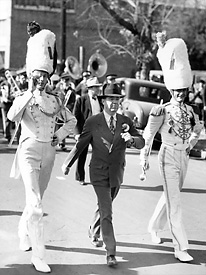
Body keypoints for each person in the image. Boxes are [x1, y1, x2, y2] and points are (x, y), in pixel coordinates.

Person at [7, 36, 76, 273]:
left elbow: (72, 120)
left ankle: (23, 230)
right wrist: (28, 93)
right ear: (31, 76)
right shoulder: (23, 97)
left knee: (37, 199)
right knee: (35, 204)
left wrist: (60, 135)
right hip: (28, 150)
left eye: (44, 76)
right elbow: (11, 117)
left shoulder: (55, 99)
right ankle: (39, 255)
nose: (41, 80)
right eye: (37, 75)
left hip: (49, 152)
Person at [62, 83, 145, 267]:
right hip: (98, 172)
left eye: (117, 99)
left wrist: (131, 139)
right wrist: (68, 163)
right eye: (110, 99)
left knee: (104, 206)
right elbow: (81, 144)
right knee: (107, 211)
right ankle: (111, 252)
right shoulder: (93, 121)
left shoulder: (126, 121)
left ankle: (93, 229)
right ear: (103, 101)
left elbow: (141, 142)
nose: (114, 103)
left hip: (117, 173)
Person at [140, 33, 203, 262]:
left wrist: (191, 145)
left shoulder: (190, 111)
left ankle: (154, 226)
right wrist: (144, 157)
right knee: (175, 202)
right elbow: (149, 134)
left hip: (183, 156)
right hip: (166, 155)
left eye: (183, 91)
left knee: (170, 197)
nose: (180, 94)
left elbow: (197, 130)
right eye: (176, 91)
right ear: (171, 90)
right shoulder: (162, 110)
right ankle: (180, 248)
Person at [73, 76, 102, 185]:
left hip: (98, 131)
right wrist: (76, 133)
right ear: (90, 89)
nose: (98, 90)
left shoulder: (100, 100)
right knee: (82, 155)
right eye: (95, 88)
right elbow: (74, 117)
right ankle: (80, 177)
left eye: (98, 87)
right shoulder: (81, 100)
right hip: (85, 131)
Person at [55, 72, 76, 150]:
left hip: (66, 111)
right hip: (57, 111)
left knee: (64, 127)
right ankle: (57, 141)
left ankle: (62, 143)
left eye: (67, 80)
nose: (66, 82)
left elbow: (73, 102)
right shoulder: (58, 90)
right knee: (57, 127)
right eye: (64, 80)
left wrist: (68, 109)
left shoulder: (71, 91)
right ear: (61, 80)